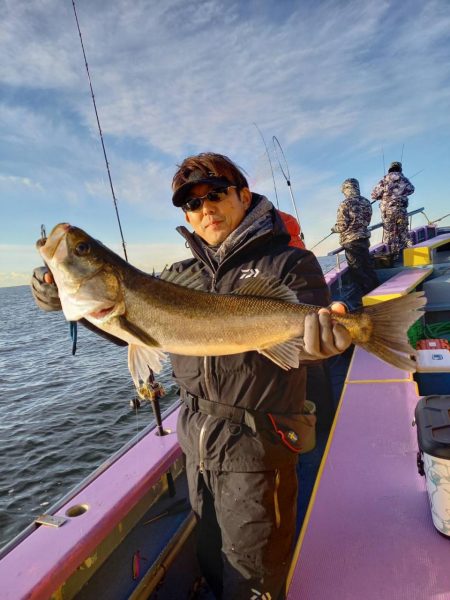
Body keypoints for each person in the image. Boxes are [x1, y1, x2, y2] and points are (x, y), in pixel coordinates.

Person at [31, 152, 351, 599]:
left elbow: (307, 347)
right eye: (191, 203)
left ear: (243, 195)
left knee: (253, 577)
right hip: (197, 442)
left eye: (215, 194)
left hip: (259, 446)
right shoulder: (178, 276)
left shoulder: (289, 263)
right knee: (211, 560)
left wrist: (328, 344)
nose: (205, 208)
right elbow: (134, 330)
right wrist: (65, 302)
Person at [331, 178, 378, 307]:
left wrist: (334, 228)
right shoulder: (367, 202)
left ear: (346, 189)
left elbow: (342, 226)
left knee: (357, 271)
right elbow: (367, 221)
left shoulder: (344, 204)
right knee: (368, 267)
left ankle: (367, 300)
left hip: (351, 242)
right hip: (364, 239)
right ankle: (376, 290)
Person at [371, 161, 415, 255]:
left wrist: (381, 196)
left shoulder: (383, 181)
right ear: (400, 168)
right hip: (401, 210)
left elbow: (374, 195)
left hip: (388, 213)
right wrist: (401, 192)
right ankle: (410, 254)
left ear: (390, 169)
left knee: (390, 235)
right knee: (404, 232)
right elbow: (411, 189)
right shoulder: (404, 179)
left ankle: (393, 257)